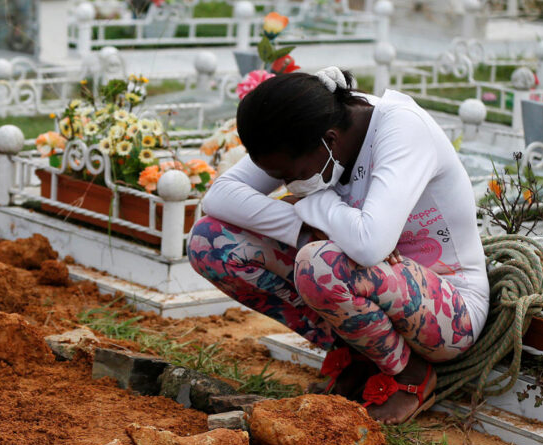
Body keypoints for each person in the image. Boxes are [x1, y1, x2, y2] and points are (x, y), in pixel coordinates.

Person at [188, 68, 489, 424]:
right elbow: (219, 197)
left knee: (322, 263)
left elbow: (369, 244)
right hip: (365, 282)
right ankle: (359, 355)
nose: (287, 184)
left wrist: (311, 205)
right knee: (209, 241)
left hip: (449, 315)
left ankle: (410, 374)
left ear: (329, 141)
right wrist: (302, 228)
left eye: (292, 175)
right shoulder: (307, 130)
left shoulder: (401, 130)